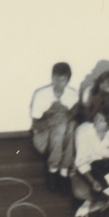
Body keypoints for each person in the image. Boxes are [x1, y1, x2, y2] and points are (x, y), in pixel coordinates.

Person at [30, 62, 78, 190]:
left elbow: (75, 118)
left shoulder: (72, 94)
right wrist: (50, 121)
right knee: (60, 126)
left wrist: (67, 116)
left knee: (72, 125)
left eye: (62, 80)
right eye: (55, 79)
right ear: (51, 78)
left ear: (68, 81)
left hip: (63, 142)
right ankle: (53, 169)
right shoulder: (41, 94)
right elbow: (35, 126)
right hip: (43, 141)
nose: (57, 83)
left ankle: (64, 171)